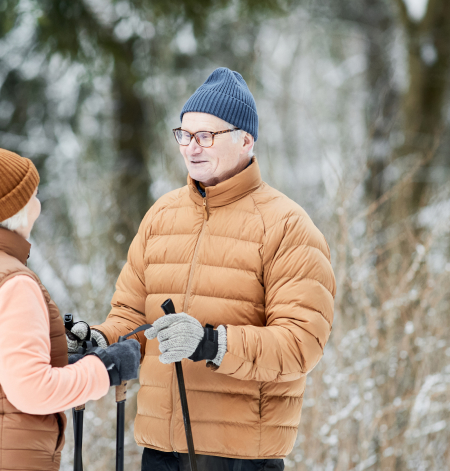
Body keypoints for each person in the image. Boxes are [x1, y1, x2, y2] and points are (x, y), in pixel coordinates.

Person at [67, 68, 337, 470]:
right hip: (160, 452)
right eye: (184, 134)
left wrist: (212, 343)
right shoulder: (162, 216)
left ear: (245, 139)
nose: (191, 147)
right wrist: (99, 341)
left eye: (205, 136)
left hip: (239, 457)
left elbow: (301, 344)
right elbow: (132, 317)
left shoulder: (287, 227)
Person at [0, 148, 141, 471]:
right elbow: (32, 390)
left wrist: (69, 362)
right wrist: (104, 370)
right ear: (17, 208)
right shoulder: (12, 283)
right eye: (33, 194)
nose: (38, 203)